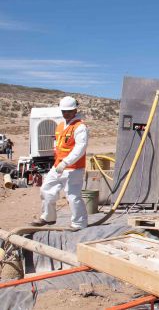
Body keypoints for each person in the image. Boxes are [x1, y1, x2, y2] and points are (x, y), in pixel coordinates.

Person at [31, 96, 89, 229]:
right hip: (58, 166)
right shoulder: (61, 126)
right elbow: (58, 144)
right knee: (46, 190)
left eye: (69, 111)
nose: (66, 114)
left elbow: (80, 148)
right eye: (63, 111)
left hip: (73, 168)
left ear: (75, 110)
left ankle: (79, 223)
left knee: (73, 196)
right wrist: (58, 161)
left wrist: (66, 162)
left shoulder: (80, 127)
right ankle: (48, 217)